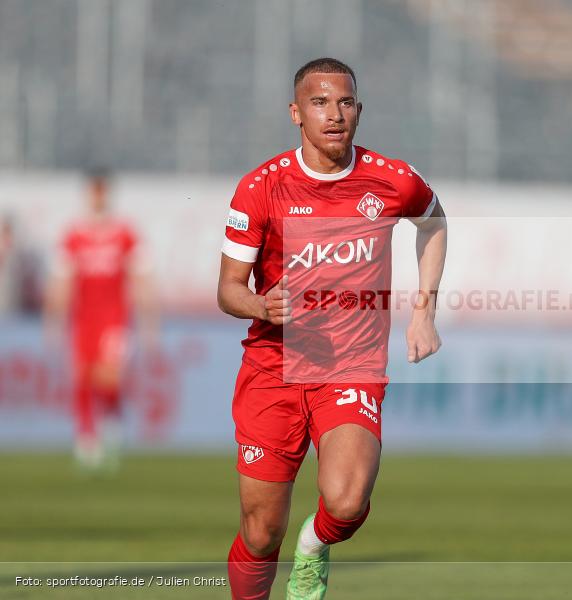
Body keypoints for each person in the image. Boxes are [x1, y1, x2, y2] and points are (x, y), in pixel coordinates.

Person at [217, 57, 447, 600]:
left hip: (350, 365)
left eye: (344, 102)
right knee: (260, 529)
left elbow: (435, 222)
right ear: (297, 113)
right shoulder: (260, 189)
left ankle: (314, 548)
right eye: (319, 102)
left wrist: (424, 309)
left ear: (359, 111)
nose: (334, 114)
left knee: (345, 501)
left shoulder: (391, 180)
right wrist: (260, 306)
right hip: (272, 369)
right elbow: (228, 290)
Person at [45, 168, 157, 472]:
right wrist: (54, 321)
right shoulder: (74, 235)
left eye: (102, 191)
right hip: (83, 320)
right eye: (93, 192)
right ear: (87, 195)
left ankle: (111, 429)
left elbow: (141, 279)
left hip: (115, 318)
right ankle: (86, 440)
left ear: (107, 194)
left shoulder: (124, 233)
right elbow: (62, 282)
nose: (98, 197)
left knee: (109, 378)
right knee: (82, 378)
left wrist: (149, 323)